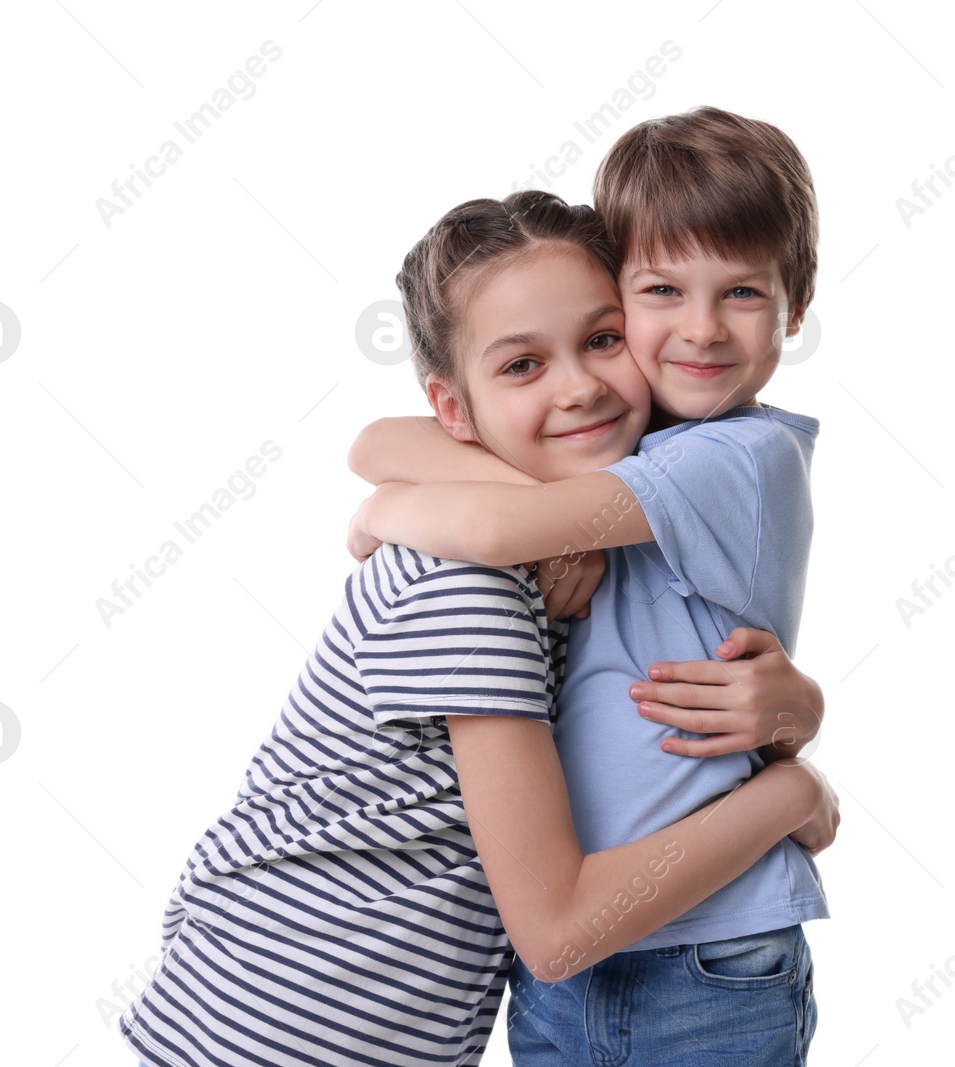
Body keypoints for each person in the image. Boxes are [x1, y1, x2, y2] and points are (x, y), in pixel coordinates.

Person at [118, 189, 837, 1067]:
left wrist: (798, 708)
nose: (579, 385)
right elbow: (559, 928)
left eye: (602, 339)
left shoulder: (603, 525)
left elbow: (387, 444)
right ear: (454, 408)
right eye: (522, 365)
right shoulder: (473, 585)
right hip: (279, 1025)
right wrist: (793, 794)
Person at [347, 105, 827, 1065]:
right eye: (659, 290)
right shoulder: (636, 441)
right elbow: (379, 440)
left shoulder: (740, 456)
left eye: (740, 292)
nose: (699, 328)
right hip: (569, 964)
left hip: (706, 954)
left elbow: (479, 521)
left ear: (793, 312)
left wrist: (377, 513)